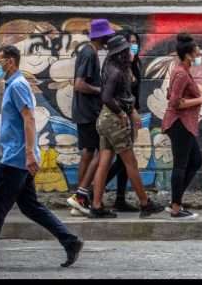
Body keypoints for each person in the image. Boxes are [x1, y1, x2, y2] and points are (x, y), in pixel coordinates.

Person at [0, 45, 83, 268]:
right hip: (17, 155)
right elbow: (12, 122)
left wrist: (28, 154)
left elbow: (29, 119)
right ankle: (70, 241)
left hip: (15, 159)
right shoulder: (13, 85)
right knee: (30, 206)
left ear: (10, 61)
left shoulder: (17, 85)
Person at [88, 35, 163, 219]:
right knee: (131, 162)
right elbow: (106, 97)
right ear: (120, 53)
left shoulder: (112, 67)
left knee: (104, 163)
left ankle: (96, 205)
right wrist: (122, 113)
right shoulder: (116, 72)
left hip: (105, 118)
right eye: (126, 50)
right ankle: (145, 203)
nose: (130, 52)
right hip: (114, 120)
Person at [67, 18, 114, 216]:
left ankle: (80, 198)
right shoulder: (88, 53)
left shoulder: (90, 52)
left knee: (89, 152)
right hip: (87, 112)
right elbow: (78, 84)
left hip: (87, 111)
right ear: (101, 36)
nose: (109, 38)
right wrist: (100, 90)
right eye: (107, 35)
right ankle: (80, 198)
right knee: (91, 153)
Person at [162, 33, 202, 220]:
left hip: (185, 124)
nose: (199, 57)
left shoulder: (181, 70)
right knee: (181, 165)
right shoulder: (181, 73)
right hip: (179, 124)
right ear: (189, 55)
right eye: (197, 54)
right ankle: (176, 208)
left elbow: (171, 95)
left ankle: (176, 200)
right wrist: (200, 99)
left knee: (195, 161)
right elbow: (174, 102)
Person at [103, 29, 142, 212]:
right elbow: (113, 95)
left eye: (135, 42)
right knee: (124, 160)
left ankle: (118, 198)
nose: (133, 46)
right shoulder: (119, 69)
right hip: (120, 116)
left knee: (121, 160)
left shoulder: (134, 64)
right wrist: (128, 112)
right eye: (130, 43)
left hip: (127, 114)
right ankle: (89, 194)